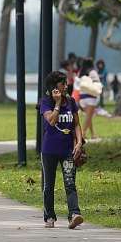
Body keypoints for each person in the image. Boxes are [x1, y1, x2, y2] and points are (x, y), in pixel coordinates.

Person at [39, 70, 84, 229]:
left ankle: (74, 214)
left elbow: (76, 124)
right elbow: (51, 121)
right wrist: (57, 103)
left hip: (67, 151)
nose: (66, 86)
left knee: (70, 183)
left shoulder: (71, 102)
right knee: (48, 185)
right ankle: (49, 216)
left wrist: (79, 142)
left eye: (66, 83)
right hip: (49, 151)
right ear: (54, 87)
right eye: (62, 83)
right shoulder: (45, 102)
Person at [76, 59, 102, 139]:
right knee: (88, 116)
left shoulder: (81, 73)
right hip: (91, 97)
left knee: (88, 116)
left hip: (82, 97)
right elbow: (96, 82)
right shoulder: (93, 72)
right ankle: (82, 134)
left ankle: (93, 134)